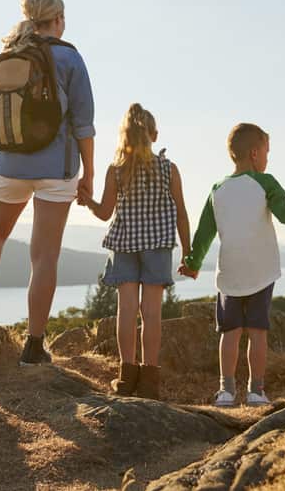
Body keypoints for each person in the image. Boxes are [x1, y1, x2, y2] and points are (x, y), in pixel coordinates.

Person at [0, 0, 96, 366]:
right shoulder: (69, 58)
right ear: (58, 20)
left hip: (10, 164)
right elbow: (84, 125)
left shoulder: (9, 54)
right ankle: (34, 346)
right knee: (44, 256)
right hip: (56, 169)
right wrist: (88, 174)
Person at [180, 123, 285, 406]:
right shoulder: (266, 182)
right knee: (258, 333)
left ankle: (226, 391)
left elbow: (204, 233)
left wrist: (193, 263)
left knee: (230, 333)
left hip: (230, 274)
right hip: (261, 271)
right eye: (267, 153)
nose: (268, 159)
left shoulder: (217, 190)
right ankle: (256, 391)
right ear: (256, 153)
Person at [78, 104, 191, 399]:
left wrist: (87, 201)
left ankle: (126, 377)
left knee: (126, 311)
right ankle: (150, 379)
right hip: (158, 245)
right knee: (151, 314)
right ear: (154, 135)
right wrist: (188, 253)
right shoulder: (169, 169)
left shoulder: (116, 170)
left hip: (125, 243)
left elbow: (104, 213)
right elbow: (181, 214)